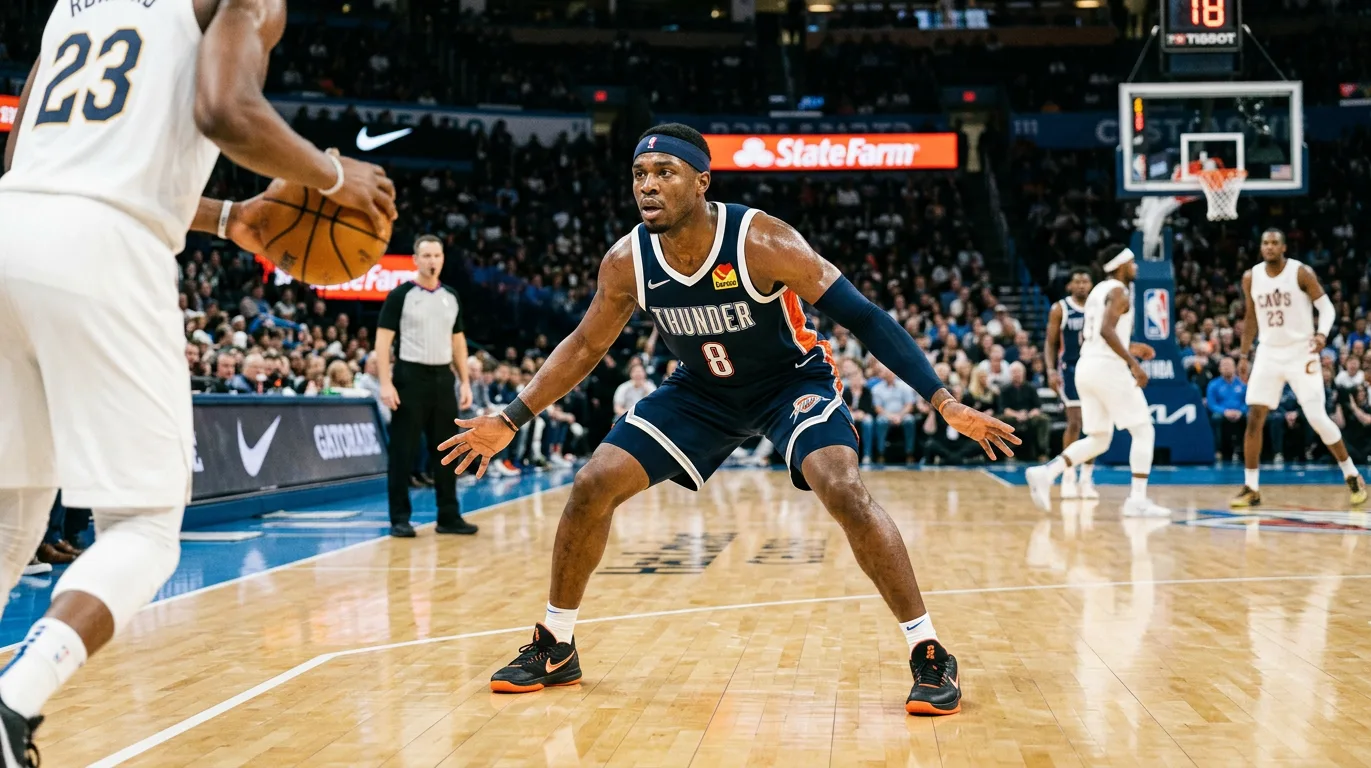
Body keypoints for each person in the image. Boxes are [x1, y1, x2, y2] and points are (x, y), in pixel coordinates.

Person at [437, 124, 1018, 717]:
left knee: (842, 487)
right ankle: (558, 645)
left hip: (789, 382)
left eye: (665, 172)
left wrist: (944, 401)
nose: (648, 186)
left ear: (701, 181)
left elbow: (865, 318)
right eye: (640, 174)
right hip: (700, 393)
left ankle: (927, 650)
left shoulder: (762, 240)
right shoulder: (626, 260)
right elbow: (586, 346)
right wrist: (511, 418)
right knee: (590, 484)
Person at [0, 0, 397, 760]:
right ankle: (14, 700)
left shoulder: (68, 5)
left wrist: (229, 219)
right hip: (102, 250)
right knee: (145, 529)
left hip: (10, 223)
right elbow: (225, 111)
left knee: (8, 519)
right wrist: (334, 174)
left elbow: (30, 163)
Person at [1024, 245, 1171, 517]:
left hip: (1086, 366)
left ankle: (1047, 472)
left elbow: (1089, 335)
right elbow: (1105, 330)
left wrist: (1130, 347)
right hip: (1107, 368)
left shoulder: (1096, 292)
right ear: (1120, 266)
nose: (1135, 267)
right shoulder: (1119, 291)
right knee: (1143, 430)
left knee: (1099, 438)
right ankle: (1137, 500)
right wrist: (1133, 364)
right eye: (1132, 262)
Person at [1232, 229, 1366, 507]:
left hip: (1300, 352)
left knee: (1317, 417)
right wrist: (1244, 355)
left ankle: (1351, 473)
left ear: (1283, 248)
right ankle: (1251, 486)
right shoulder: (1251, 277)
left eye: (1274, 243)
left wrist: (1321, 335)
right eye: (1265, 243)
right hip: (1268, 352)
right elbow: (1251, 318)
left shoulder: (1300, 272)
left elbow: (1327, 308)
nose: (1268, 247)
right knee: (1255, 416)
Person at [375, 235, 477, 538]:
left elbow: (458, 342)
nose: (432, 260)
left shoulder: (451, 296)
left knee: (447, 451)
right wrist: (385, 381)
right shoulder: (401, 295)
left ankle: (448, 515)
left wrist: (465, 381)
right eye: (426, 255)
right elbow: (383, 340)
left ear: (443, 258)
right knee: (403, 452)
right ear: (416, 259)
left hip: (443, 378)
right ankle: (400, 518)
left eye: (437, 255)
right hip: (410, 377)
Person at [1043, 268, 1096, 499]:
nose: (1082, 285)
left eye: (1086, 281)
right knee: (1074, 423)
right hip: (1070, 370)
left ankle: (1086, 478)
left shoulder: (1099, 307)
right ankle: (1068, 475)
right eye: (1078, 281)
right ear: (1070, 286)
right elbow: (1050, 342)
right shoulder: (1060, 308)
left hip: (1095, 368)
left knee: (1094, 426)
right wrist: (1051, 369)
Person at [996, 362, 1049, 460]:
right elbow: (1003, 409)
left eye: (1019, 371)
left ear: (1023, 373)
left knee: (1043, 419)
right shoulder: (1005, 389)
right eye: (1014, 372)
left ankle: (1042, 452)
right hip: (1012, 417)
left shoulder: (1031, 388)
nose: (1017, 374)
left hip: (1029, 416)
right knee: (1002, 420)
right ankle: (1009, 454)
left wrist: (1029, 414)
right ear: (1010, 374)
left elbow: (1037, 406)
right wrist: (1017, 415)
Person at [1206, 357, 1247, 461]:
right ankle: (1218, 450)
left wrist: (1240, 411)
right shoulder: (1213, 384)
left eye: (1229, 365)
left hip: (1239, 412)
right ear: (1219, 369)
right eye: (1224, 366)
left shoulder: (1243, 384)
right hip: (1222, 412)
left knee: (1251, 417)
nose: (1227, 368)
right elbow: (1211, 404)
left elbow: (1248, 402)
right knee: (1216, 417)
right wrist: (1225, 412)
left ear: (1235, 368)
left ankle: (1246, 449)